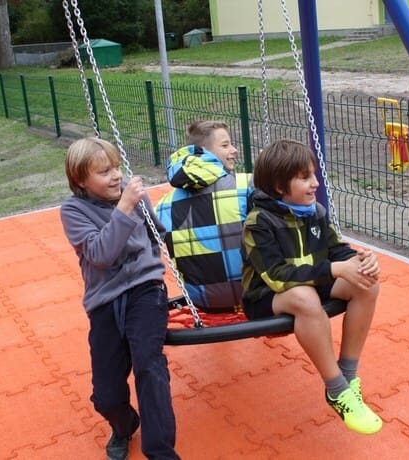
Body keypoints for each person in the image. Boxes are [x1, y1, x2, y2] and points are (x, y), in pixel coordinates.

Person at [241, 139, 383, 435]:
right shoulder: (259, 222)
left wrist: (359, 261)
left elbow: (336, 250)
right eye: (305, 177)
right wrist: (333, 269)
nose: (315, 183)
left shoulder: (314, 211)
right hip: (266, 296)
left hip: (311, 283)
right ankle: (336, 390)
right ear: (280, 186)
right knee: (304, 297)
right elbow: (277, 276)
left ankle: (348, 376)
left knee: (366, 284)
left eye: (314, 174)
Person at [59, 137, 180, 459]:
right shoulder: (73, 211)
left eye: (115, 167)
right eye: (104, 172)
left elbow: (158, 234)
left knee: (149, 365)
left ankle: (161, 452)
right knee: (106, 396)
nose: (115, 176)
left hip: (146, 289)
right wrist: (125, 208)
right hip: (104, 299)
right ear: (80, 181)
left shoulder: (133, 195)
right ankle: (125, 425)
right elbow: (101, 255)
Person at [155, 120, 252, 311]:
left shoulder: (163, 205)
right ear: (203, 152)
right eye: (225, 145)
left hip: (202, 302)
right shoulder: (246, 185)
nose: (234, 150)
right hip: (253, 296)